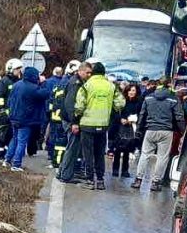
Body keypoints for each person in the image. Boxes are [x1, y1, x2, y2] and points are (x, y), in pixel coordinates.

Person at [74, 62, 124, 190]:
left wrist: (76, 117)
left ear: (93, 72)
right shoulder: (111, 86)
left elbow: (79, 106)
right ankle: (100, 180)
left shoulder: (86, 85)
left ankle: (90, 180)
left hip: (87, 124)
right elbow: (120, 103)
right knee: (100, 153)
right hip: (103, 125)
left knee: (88, 153)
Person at [132, 77, 185, 191]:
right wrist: (183, 132)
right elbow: (179, 117)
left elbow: (142, 115)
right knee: (162, 157)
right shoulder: (174, 99)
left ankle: (138, 180)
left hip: (150, 130)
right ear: (170, 85)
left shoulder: (149, 97)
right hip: (166, 131)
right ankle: (155, 182)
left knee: (144, 154)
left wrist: (138, 130)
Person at [4, 66, 51, 171]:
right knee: (22, 142)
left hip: (14, 117)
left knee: (14, 139)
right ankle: (16, 164)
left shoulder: (16, 85)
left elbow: (10, 100)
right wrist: (43, 83)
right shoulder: (33, 88)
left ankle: (7, 159)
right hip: (25, 119)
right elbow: (46, 94)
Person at [57, 62, 92, 183]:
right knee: (72, 149)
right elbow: (71, 104)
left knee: (70, 147)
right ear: (81, 71)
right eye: (87, 72)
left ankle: (62, 172)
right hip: (71, 121)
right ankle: (66, 175)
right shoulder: (75, 84)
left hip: (69, 119)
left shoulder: (76, 81)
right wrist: (74, 122)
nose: (89, 75)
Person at [0, 59, 23, 160]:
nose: (19, 71)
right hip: (5, 113)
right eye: (17, 69)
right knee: (2, 135)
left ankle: (5, 155)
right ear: (11, 69)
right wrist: (1, 110)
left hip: (14, 114)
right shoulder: (4, 81)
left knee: (10, 135)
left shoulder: (18, 81)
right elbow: (0, 97)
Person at [111, 84, 142, 178]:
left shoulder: (138, 102)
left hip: (131, 127)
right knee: (118, 149)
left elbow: (140, 114)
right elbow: (115, 113)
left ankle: (125, 170)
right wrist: (120, 119)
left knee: (127, 150)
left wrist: (132, 120)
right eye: (130, 90)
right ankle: (115, 169)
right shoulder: (122, 101)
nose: (131, 92)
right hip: (120, 127)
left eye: (133, 90)